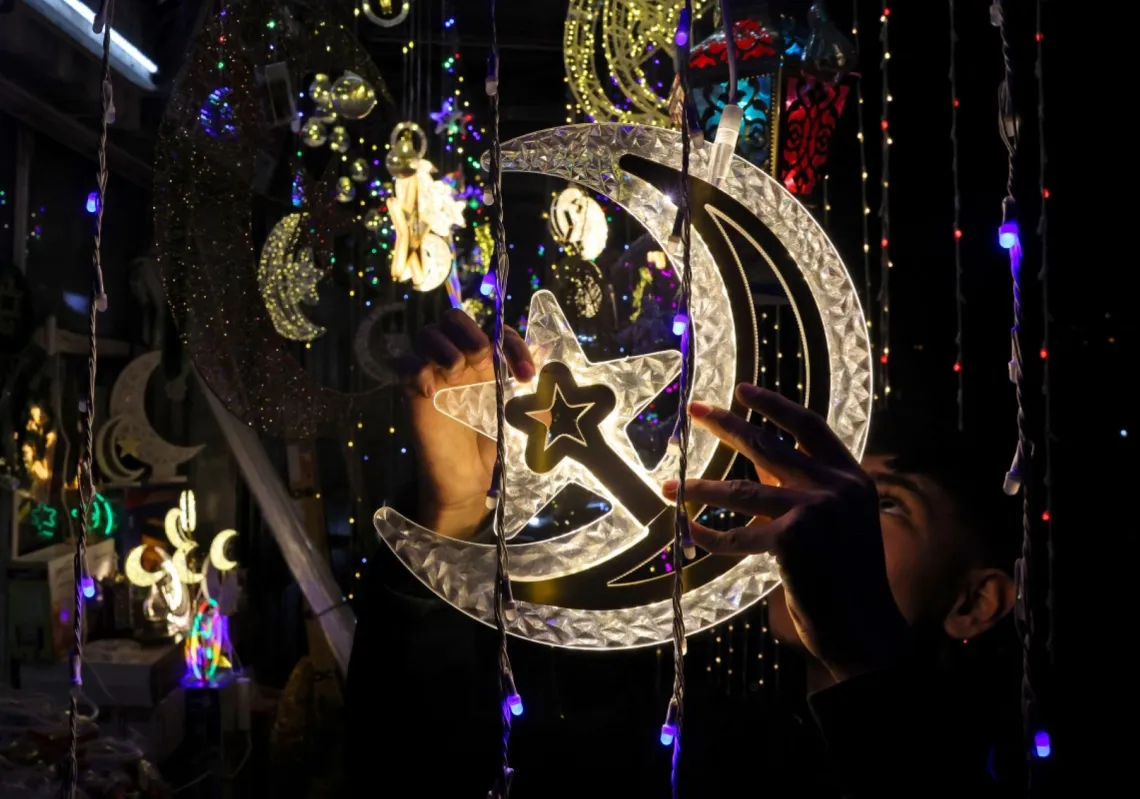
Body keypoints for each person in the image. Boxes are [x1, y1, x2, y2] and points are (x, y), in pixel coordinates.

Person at [346, 308, 1023, 798]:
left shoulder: (990, 771)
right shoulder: (686, 732)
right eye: (812, 488)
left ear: (976, 601)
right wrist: (455, 513)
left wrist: (869, 662)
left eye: (884, 504)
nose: (808, 513)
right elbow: (418, 767)